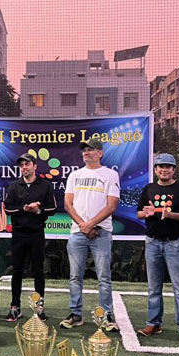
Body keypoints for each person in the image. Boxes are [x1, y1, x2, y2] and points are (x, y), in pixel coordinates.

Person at [135, 152, 179, 344]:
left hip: (174, 242)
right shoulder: (149, 189)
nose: (164, 170)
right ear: (155, 170)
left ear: (173, 170)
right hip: (152, 241)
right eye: (161, 166)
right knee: (153, 286)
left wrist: (170, 215)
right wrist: (146, 213)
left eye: (168, 167)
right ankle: (153, 323)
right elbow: (139, 213)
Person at [60, 138, 121, 331]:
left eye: (90, 149)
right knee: (75, 276)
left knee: (104, 277)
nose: (86, 152)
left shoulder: (110, 175)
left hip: (101, 233)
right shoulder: (74, 175)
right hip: (77, 232)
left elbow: (112, 205)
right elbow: (67, 204)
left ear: (100, 153)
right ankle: (76, 314)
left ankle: (106, 316)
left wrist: (90, 224)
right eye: (84, 150)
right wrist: (83, 225)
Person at [3, 153, 56, 322]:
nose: (24, 168)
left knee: (38, 271)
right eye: (21, 165)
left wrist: (38, 210)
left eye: (27, 164)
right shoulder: (14, 186)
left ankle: (39, 307)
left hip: (36, 234)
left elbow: (52, 209)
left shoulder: (45, 185)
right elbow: (7, 209)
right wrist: (24, 209)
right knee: (17, 271)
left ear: (35, 166)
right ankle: (15, 307)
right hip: (19, 234)